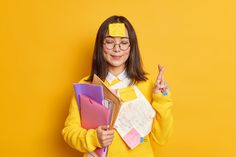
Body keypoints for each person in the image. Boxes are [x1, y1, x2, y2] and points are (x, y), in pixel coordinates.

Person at [62, 15, 173, 157]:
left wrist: (162, 98)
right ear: (100, 46)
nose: (117, 49)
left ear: (131, 47)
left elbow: (162, 138)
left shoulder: (146, 84)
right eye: (109, 42)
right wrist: (94, 137)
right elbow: (69, 131)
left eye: (124, 43)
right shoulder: (87, 86)